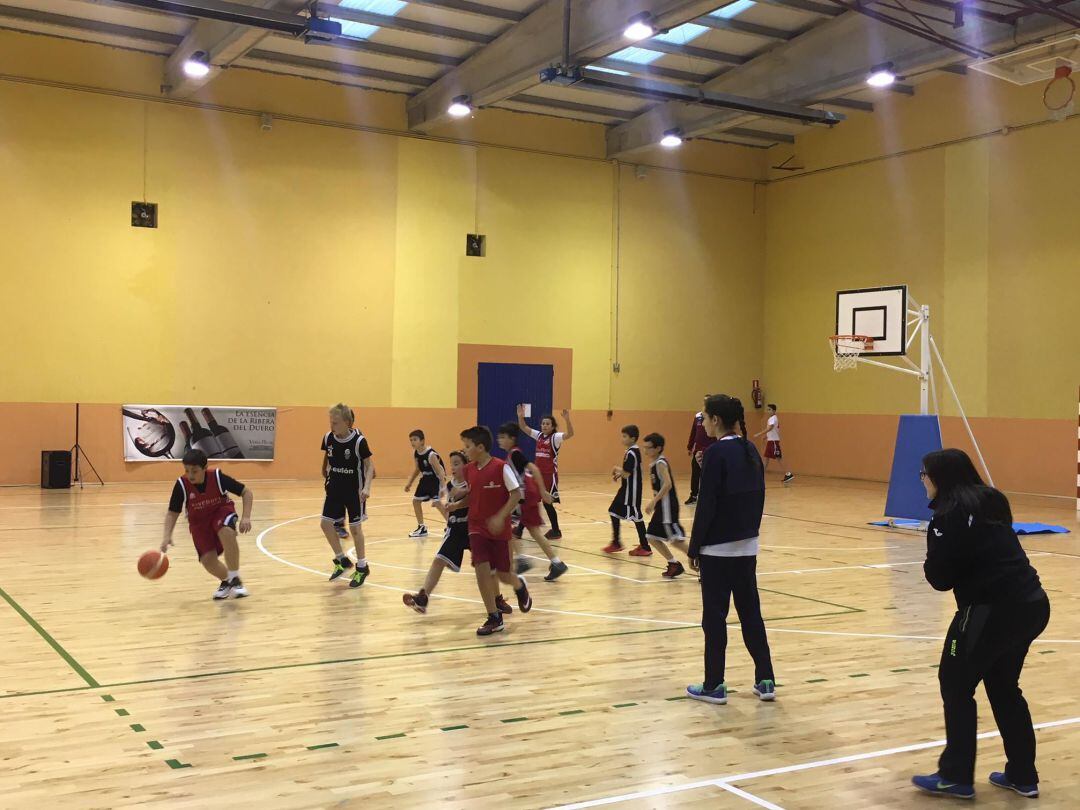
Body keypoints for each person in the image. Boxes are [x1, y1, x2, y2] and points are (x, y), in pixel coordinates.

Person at [910, 449, 1050, 800]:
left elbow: (940, 579)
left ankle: (955, 775)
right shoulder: (993, 499)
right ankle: (1023, 774)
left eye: (924, 474)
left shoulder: (946, 515)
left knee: (955, 685)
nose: (922, 480)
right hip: (1032, 604)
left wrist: (931, 558)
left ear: (939, 477)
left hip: (990, 610)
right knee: (1003, 686)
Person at [686, 394, 775, 705]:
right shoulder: (749, 449)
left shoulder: (715, 453)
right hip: (747, 546)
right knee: (751, 614)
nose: (703, 424)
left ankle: (714, 684)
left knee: (714, 618)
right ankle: (765, 679)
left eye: (705, 418)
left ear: (716, 420)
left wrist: (694, 547)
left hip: (717, 551)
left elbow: (707, 505)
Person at [402, 451, 515, 617]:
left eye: (456, 463)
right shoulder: (450, 486)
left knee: (489, 569)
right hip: (455, 531)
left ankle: (497, 599)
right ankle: (422, 598)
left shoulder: (474, 482)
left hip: (474, 531)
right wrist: (442, 507)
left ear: (467, 465)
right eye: (451, 464)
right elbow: (450, 517)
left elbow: (476, 503)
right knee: (438, 561)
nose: (453, 467)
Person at [461, 426, 533, 636]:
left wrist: (501, 517)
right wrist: (456, 504)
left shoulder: (500, 467)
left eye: (467, 446)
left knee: (503, 575)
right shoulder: (469, 470)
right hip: (476, 528)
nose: (464, 450)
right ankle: (494, 617)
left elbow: (516, 494)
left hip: (499, 531)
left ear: (480, 447)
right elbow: (472, 496)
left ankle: (520, 586)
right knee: (481, 571)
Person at [161, 449, 253, 600]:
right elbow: (172, 512)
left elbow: (246, 492)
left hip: (221, 511)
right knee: (207, 561)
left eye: (195, 471)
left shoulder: (217, 477)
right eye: (187, 471)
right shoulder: (181, 485)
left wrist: (246, 517)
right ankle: (227, 581)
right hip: (198, 522)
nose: (190, 475)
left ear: (204, 468)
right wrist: (166, 536)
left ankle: (235, 579)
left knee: (226, 531)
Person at [496, 423, 569, 582]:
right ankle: (556, 563)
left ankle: (522, 560)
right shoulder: (512, 455)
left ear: (512, 439)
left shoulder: (515, 454)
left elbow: (534, 469)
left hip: (525, 496)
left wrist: (543, 492)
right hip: (526, 494)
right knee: (531, 531)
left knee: (509, 527)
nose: (499, 440)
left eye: (503, 437)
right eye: (499, 437)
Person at [320, 403, 373, 588]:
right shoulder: (328, 437)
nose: (331, 425)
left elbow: (370, 466)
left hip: (354, 492)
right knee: (325, 524)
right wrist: (324, 470)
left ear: (347, 423)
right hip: (334, 489)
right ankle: (342, 560)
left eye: (335, 422)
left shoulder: (358, 442)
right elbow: (328, 456)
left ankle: (362, 566)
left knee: (355, 529)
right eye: (330, 421)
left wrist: (367, 487)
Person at [517, 405, 574, 540]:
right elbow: (524, 428)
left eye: (547, 424)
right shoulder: (539, 436)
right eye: (543, 423)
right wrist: (520, 417)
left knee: (546, 503)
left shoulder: (555, 438)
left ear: (553, 426)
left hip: (549, 476)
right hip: (538, 475)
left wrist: (567, 420)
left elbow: (570, 434)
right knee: (531, 500)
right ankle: (523, 529)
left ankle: (553, 530)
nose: (544, 426)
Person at [642, 433, 689, 579]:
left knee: (676, 540)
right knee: (651, 536)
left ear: (658, 448)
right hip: (662, 506)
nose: (645, 450)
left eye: (648, 448)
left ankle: (703, 563)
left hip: (668, 506)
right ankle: (673, 563)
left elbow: (668, 484)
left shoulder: (661, 463)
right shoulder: (654, 463)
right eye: (644, 447)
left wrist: (654, 501)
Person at [603, 425, 651, 556]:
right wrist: (621, 473)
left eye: (625, 436)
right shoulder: (631, 451)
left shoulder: (632, 453)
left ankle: (645, 546)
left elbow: (627, 473)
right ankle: (616, 542)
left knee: (636, 516)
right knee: (613, 511)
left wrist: (617, 469)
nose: (622, 439)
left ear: (633, 438)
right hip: (626, 489)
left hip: (632, 491)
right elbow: (631, 471)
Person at [403, 430, 446, 538]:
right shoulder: (416, 453)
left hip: (435, 480)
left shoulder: (431, 454)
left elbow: (440, 471)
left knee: (437, 503)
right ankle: (422, 527)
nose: (412, 442)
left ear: (422, 441)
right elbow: (417, 469)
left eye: (415, 439)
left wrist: (442, 487)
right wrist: (409, 483)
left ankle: (452, 525)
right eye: (411, 440)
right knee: (416, 501)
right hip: (425, 479)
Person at [685, 396, 715, 504]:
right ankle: (693, 495)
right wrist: (690, 446)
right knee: (695, 473)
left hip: (710, 449)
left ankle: (706, 495)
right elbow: (693, 432)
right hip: (697, 449)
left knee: (707, 474)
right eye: (704, 400)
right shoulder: (698, 416)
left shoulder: (714, 416)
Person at [753, 403, 794, 483]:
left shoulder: (773, 418)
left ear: (774, 411)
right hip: (771, 441)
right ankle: (760, 476)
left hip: (774, 442)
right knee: (766, 458)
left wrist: (759, 434)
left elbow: (770, 428)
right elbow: (772, 430)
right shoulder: (772, 418)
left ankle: (788, 474)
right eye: (767, 409)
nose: (768, 411)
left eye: (770, 409)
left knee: (779, 458)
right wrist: (766, 437)